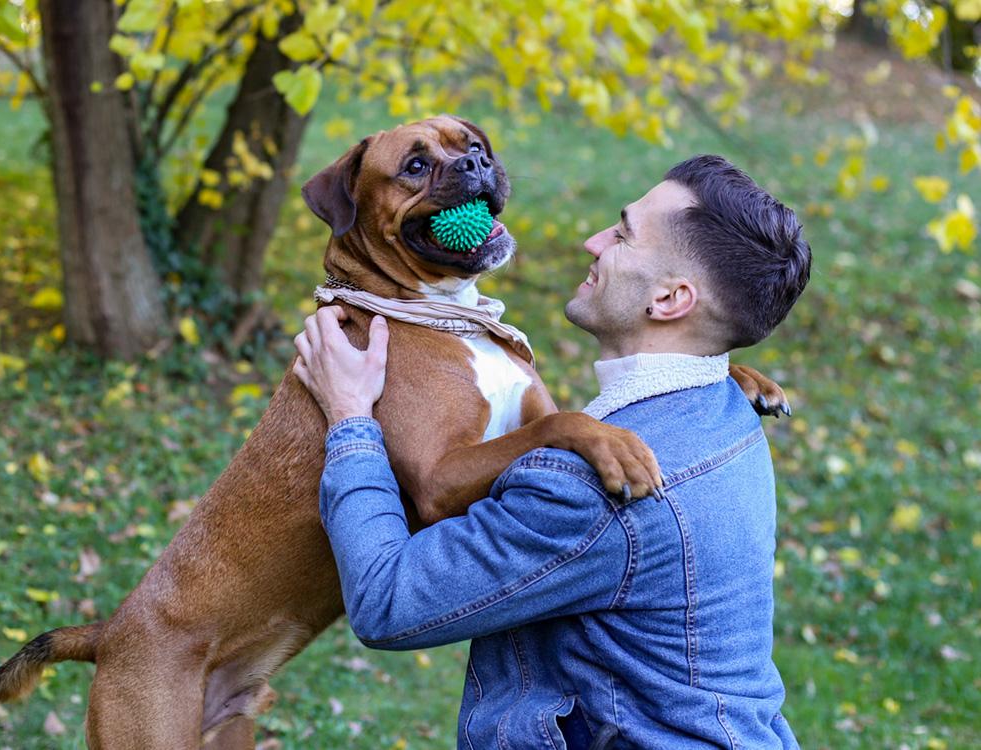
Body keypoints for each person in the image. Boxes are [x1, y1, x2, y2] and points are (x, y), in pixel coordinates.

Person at [292, 155, 811, 749]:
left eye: (621, 235)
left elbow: (387, 603)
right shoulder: (728, 408)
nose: (592, 241)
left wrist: (351, 417)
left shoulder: (584, 489)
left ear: (670, 300)